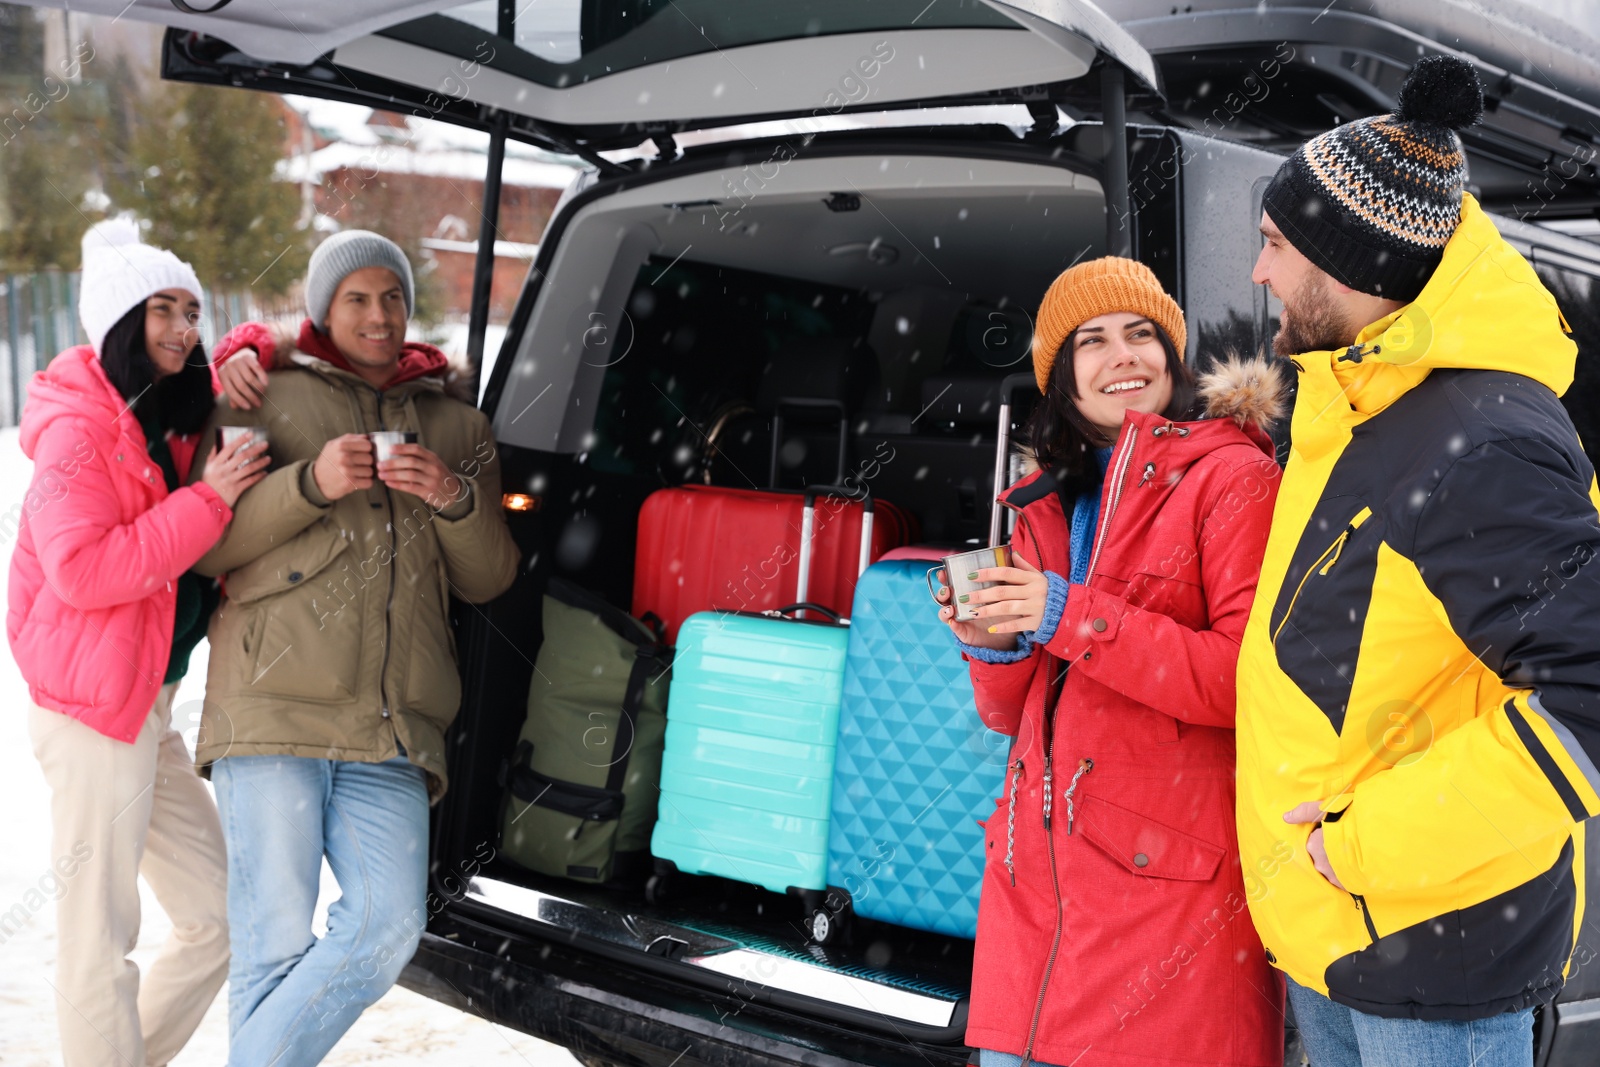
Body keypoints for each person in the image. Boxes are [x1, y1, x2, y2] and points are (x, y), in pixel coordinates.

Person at [1236, 54, 1600, 1067]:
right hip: (1344, 938)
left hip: (1439, 972)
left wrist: (1362, 843)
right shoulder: (1359, 399)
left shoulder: (1480, 440)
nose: (1257, 272)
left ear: (1348, 263)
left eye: (1273, 245)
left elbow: (1591, 692)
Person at [935, 256, 1287, 1067]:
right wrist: (994, 644)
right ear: (1062, 376)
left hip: (1167, 914)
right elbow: (1007, 715)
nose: (1122, 356)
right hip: (1034, 902)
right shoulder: (1044, 498)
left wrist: (1064, 612)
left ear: (1174, 352)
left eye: (1141, 334)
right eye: (1091, 341)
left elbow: (1245, 681)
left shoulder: (1234, 478)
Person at [187, 230, 520, 1067]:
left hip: (393, 729)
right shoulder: (261, 396)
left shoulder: (457, 422)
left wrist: (452, 495)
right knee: (271, 944)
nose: (378, 316)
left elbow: (489, 578)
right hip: (272, 712)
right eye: (357, 299)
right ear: (323, 310)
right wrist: (309, 484)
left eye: (393, 297)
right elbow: (209, 547)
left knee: (386, 925)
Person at [11, 218, 268, 1067]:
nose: (182, 329)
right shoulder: (80, 429)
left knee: (216, 917)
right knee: (98, 935)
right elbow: (83, 571)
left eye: (191, 311)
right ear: (119, 318)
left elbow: (252, 343)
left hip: (146, 709)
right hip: (93, 714)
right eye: (162, 309)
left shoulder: (160, 408)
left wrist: (246, 343)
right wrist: (211, 501)